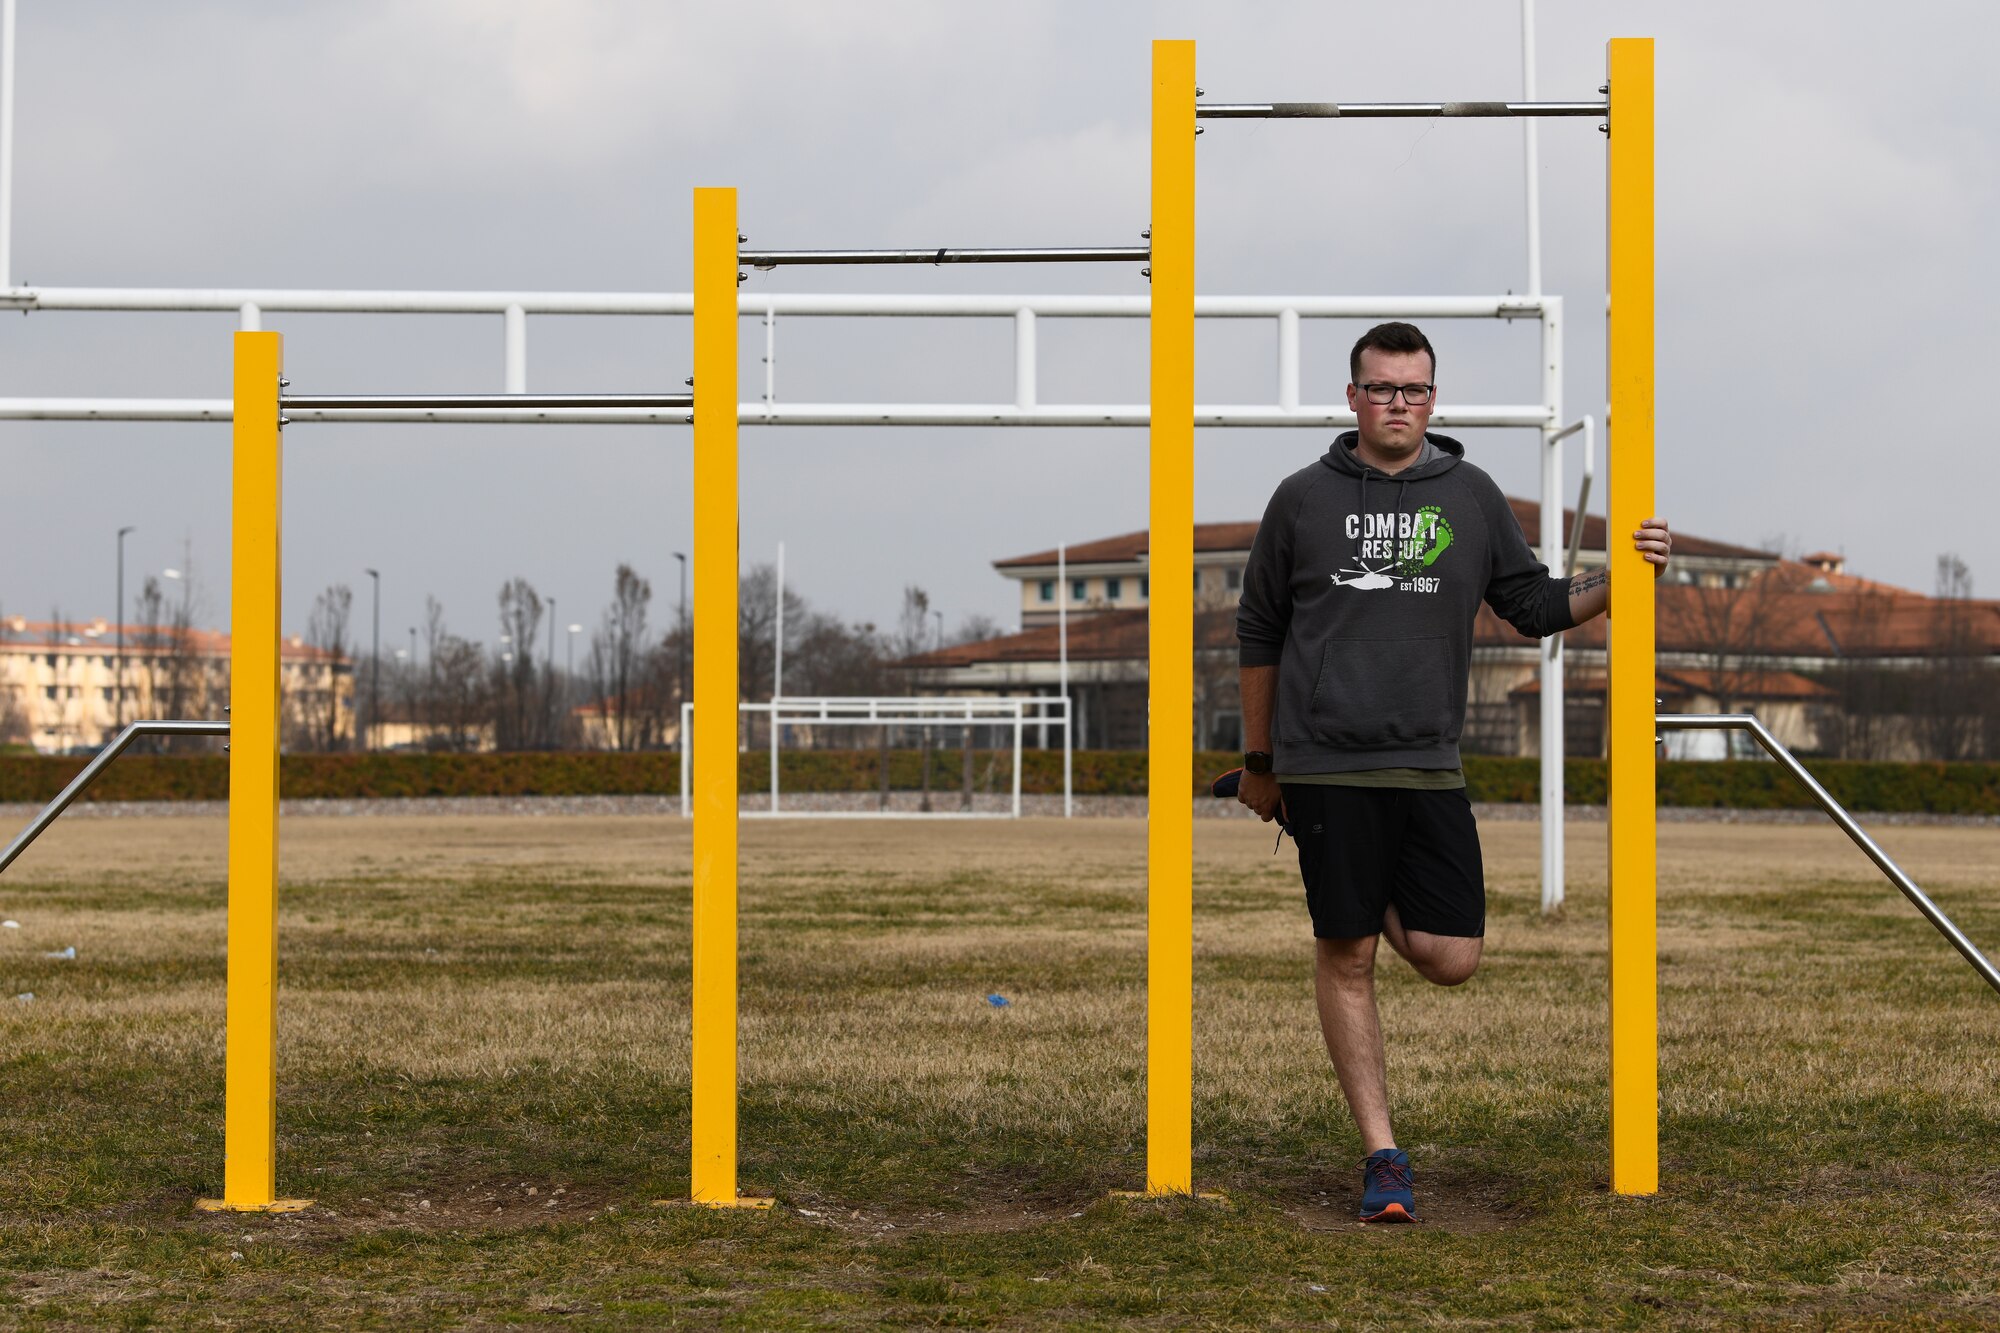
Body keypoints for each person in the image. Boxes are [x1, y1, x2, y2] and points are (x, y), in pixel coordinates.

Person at [1233, 321, 1671, 1223]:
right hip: (1327, 764)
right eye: (1383, 388)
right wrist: (1260, 761)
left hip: (1430, 762)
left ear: (1435, 398)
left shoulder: (1470, 497)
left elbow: (1533, 603)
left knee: (1451, 956)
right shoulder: (1302, 499)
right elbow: (1258, 631)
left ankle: (1350, 886)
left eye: (1416, 389)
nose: (1400, 403)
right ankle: (1382, 1154)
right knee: (1345, 951)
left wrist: (1623, 578)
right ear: (1351, 396)